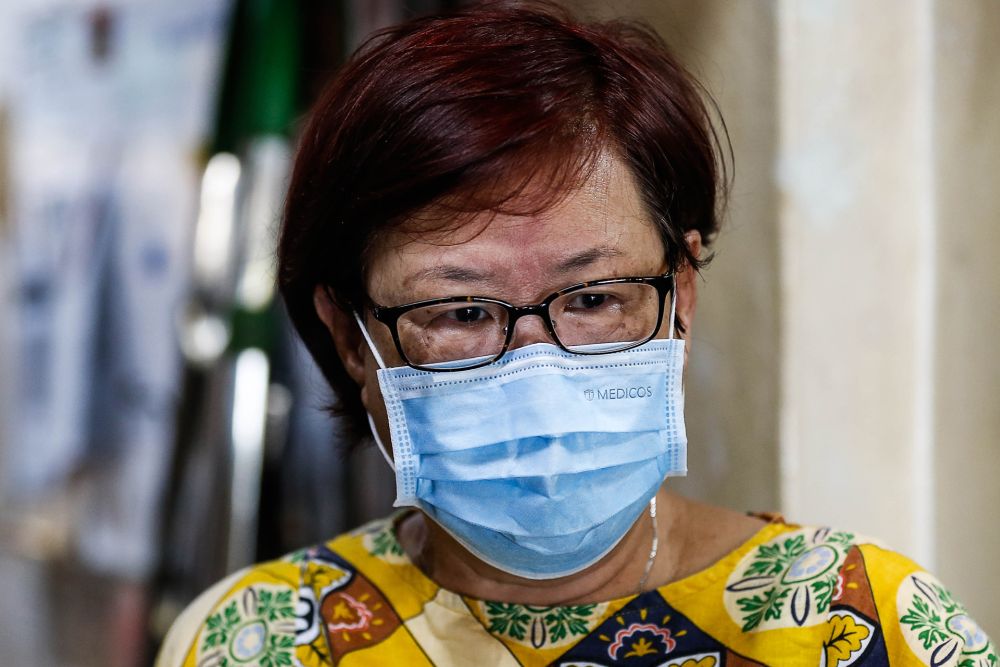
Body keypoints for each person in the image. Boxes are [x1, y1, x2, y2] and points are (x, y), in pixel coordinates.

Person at [156, 3, 995, 665]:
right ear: (351, 337)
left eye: (594, 298)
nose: (538, 366)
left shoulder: (862, 629)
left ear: (682, 299)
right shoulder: (257, 642)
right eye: (462, 311)